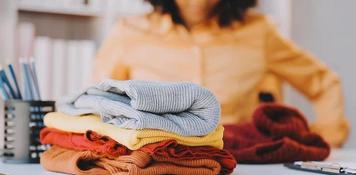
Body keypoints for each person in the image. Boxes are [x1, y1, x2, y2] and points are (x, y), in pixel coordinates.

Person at [93, 0, 349, 147]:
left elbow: (323, 82)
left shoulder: (259, 32)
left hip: (241, 167)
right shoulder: (127, 33)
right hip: (154, 164)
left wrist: (328, 138)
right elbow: (98, 103)